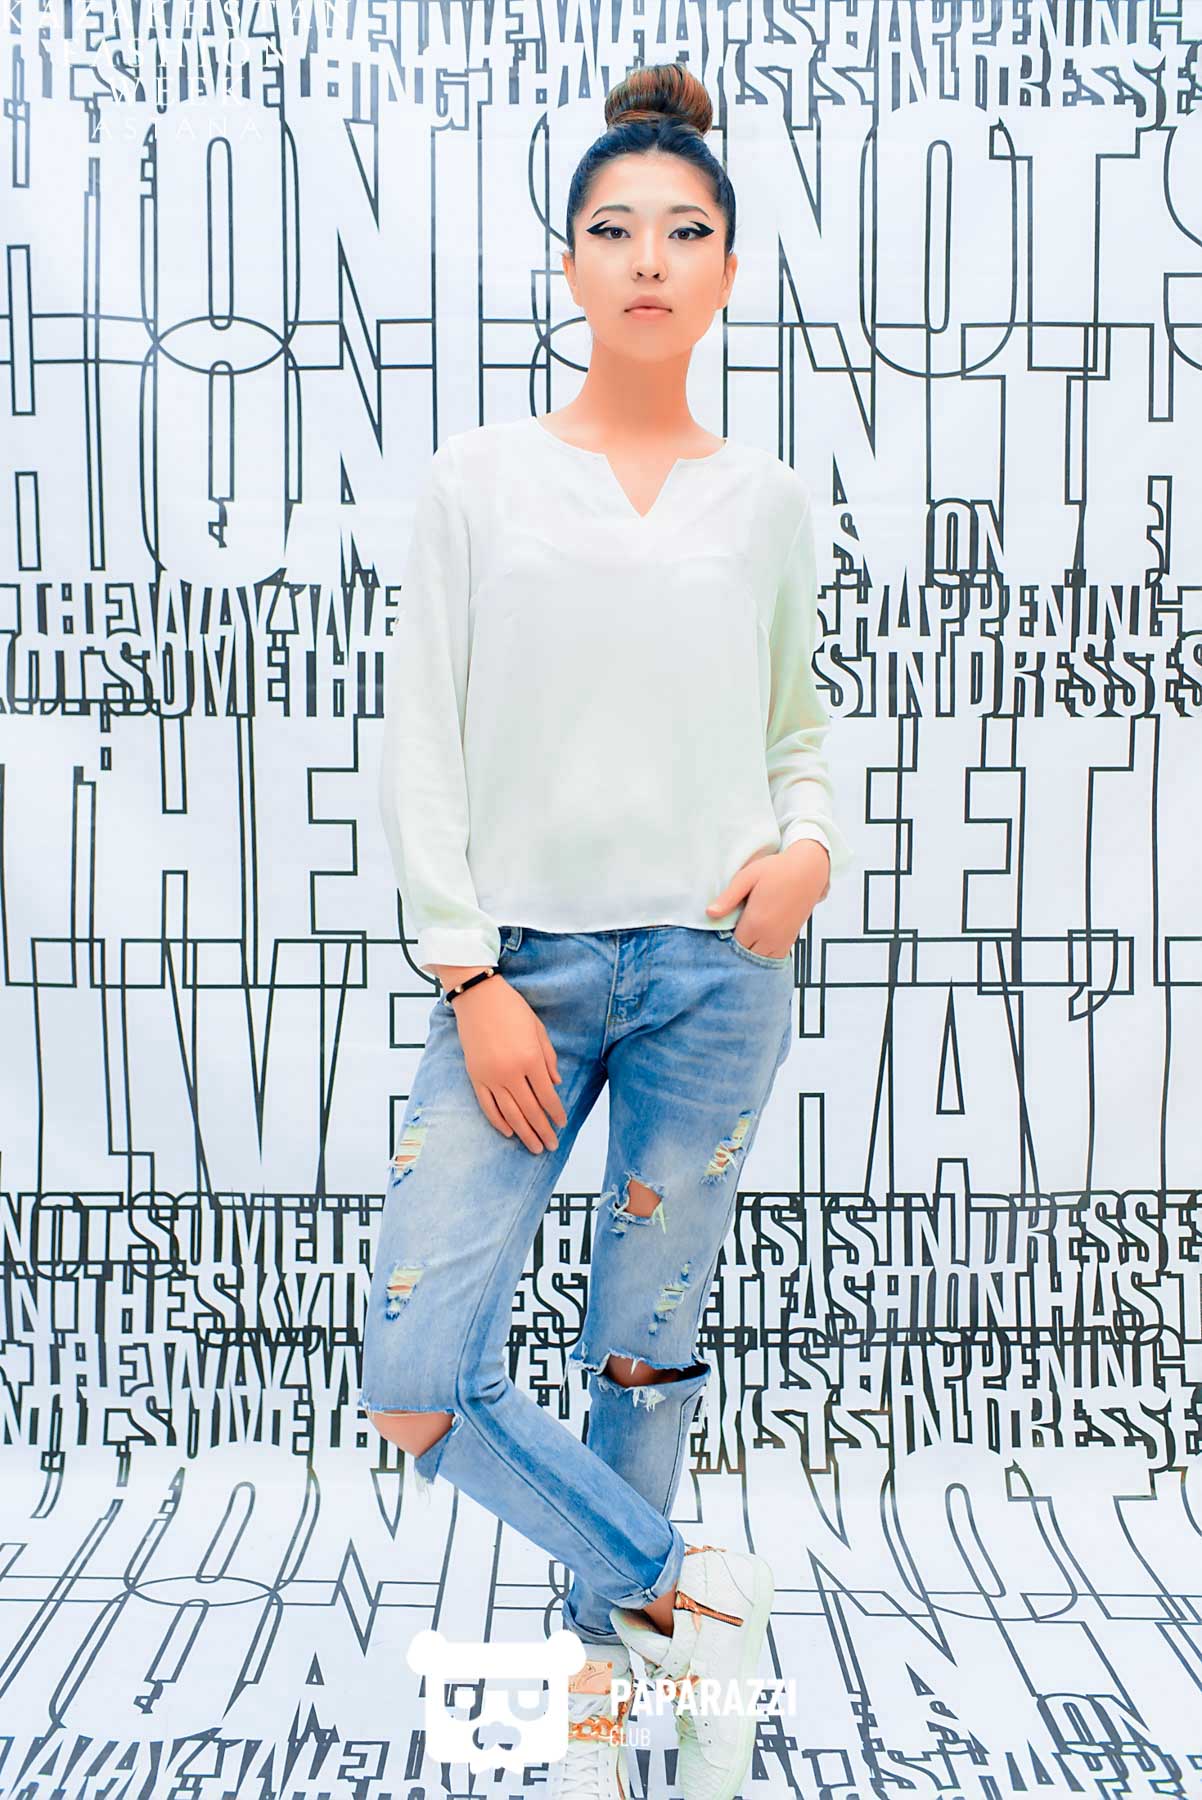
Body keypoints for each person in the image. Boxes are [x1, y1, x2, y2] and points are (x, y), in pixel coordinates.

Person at [359, 59, 852, 1800]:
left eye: (684, 230)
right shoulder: (478, 481)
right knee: (419, 1374)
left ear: (727, 268)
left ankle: (608, 1703)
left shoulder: (765, 499)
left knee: (641, 1357)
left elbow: (795, 728)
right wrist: (467, 970)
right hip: (525, 973)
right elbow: (419, 738)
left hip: (717, 972)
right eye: (615, 229)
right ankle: (679, 1591)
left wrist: (810, 847)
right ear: (568, 263)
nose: (649, 258)